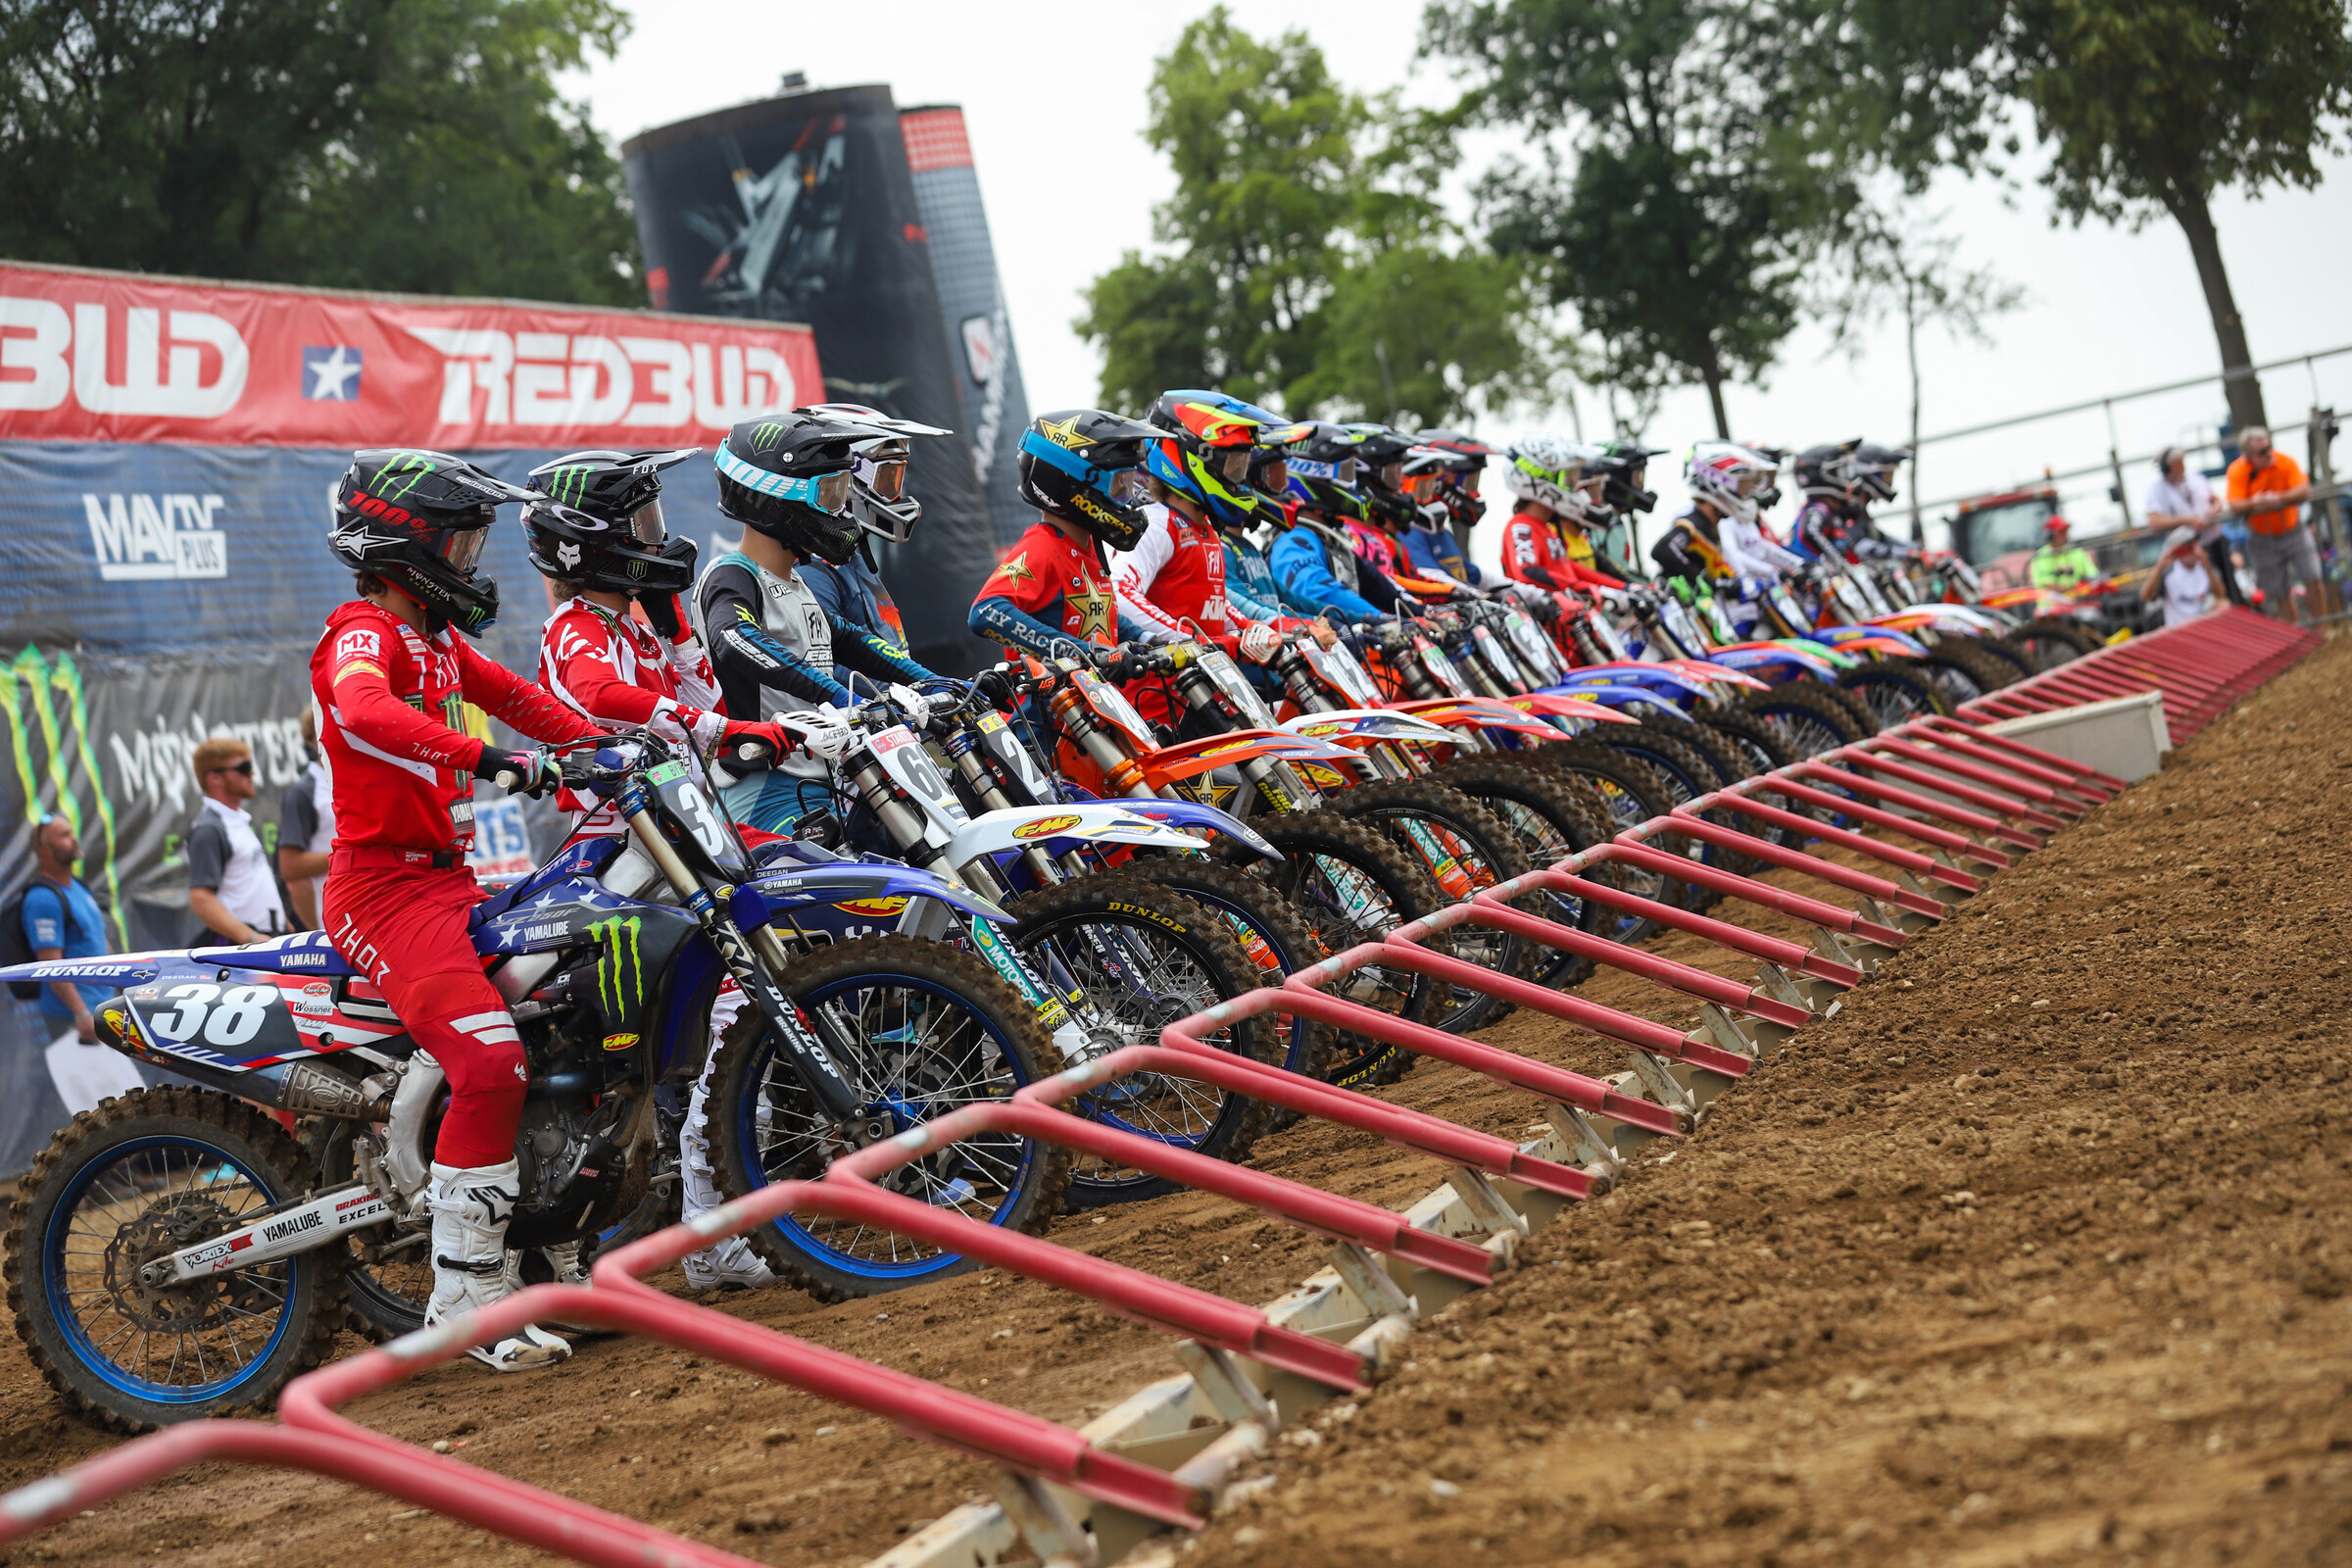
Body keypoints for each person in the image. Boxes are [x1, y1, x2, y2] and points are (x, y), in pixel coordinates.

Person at [317, 447, 604, 1372]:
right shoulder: (362, 631)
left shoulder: (435, 639)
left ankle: (539, 1260)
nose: (472, 562)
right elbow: (362, 711)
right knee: (488, 1061)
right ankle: (459, 1301)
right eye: (461, 542)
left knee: (570, 1017)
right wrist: (491, 761)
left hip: (448, 882)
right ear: (405, 545)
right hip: (382, 891)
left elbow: (520, 697)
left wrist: (630, 741)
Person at [525, 449, 807, 1294]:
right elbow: (602, 698)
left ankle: (717, 1223)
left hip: (680, 844)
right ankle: (710, 1231)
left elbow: (705, 701)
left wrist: (680, 633)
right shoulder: (575, 626)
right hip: (621, 854)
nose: (660, 536)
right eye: (641, 523)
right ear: (594, 542)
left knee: (733, 1018)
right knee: (707, 1030)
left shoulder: (639, 623)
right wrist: (704, 723)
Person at [695, 412, 930, 835]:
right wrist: (841, 696)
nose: (840, 511)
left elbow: (851, 640)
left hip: (822, 779)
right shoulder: (731, 574)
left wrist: (934, 682)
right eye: (830, 494)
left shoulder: (796, 581)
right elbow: (733, 638)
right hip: (764, 787)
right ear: (774, 498)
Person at [971, 409, 1167, 662]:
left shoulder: (1087, 547)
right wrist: (1080, 652)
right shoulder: (1043, 546)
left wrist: (1146, 639)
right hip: (1046, 699)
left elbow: (1100, 613)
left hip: (1095, 697)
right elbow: (985, 611)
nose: (1126, 500)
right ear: (1074, 484)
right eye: (1118, 484)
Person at [794, 403, 951, 674]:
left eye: (896, 479)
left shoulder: (853, 559)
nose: (894, 494)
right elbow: (828, 669)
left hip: (901, 710)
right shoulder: (813, 572)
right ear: (847, 478)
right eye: (886, 479)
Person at [22, 814, 144, 1115]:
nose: (74, 839)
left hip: (103, 1011)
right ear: (45, 850)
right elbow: (50, 965)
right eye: (64, 835)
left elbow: (98, 944)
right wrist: (80, 1013)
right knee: (96, 1110)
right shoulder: (42, 900)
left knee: (125, 1100)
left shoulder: (78, 888)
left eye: (72, 832)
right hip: (75, 1022)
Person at [186, 735, 285, 946]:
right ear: (215, 779)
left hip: (265, 939)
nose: (252, 773)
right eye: (243, 768)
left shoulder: (234, 820)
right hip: (243, 947)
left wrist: (283, 924)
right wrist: (250, 938)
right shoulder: (209, 829)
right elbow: (201, 898)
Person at [1501, 434, 1623, 594]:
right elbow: (1527, 571)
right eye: (1570, 480)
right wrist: (1584, 588)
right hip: (1541, 617)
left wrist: (1623, 588)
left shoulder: (1545, 527)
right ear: (1542, 479)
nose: (1576, 488)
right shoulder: (1522, 526)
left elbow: (1570, 568)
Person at [2223, 425, 2324, 618]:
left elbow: (2304, 490)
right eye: (2262, 452)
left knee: (2313, 578)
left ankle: (2321, 629)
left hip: (2293, 529)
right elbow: (2234, 504)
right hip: (2262, 537)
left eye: (2269, 447)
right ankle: (2297, 636)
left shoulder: (2285, 461)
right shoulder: (2238, 470)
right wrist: (2254, 502)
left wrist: (2278, 498)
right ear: (2248, 455)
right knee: (2280, 592)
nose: (2269, 453)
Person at [2143, 447, 2242, 606]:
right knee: (2196, 595)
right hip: (2187, 551)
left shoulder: (2195, 478)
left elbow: (2215, 499)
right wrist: (2187, 520)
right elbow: (2153, 521)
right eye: (2177, 465)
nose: (2181, 468)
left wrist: (2214, 509)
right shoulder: (2157, 489)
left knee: (2228, 588)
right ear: (2166, 468)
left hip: (2213, 541)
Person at [277, 710, 334, 930]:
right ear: (312, 741)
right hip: (332, 923)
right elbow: (290, 868)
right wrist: (352, 854)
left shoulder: (360, 782)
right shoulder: (303, 792)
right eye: (325, 729)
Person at [2139, 524, 2217, 627]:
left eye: (2194, 546)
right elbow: (2146, 596)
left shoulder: (2203, 567)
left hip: (2201, 628)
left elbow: (2220, 595)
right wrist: (2160, 567)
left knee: (2223, 604)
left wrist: (2207, 567)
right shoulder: (2168, 572)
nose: (2193, 552)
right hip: (2178, 630)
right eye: (2188, 548)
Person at [2028, 516, 2100, 592]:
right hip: (2052, 603)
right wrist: (2074, 590)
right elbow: (2049, 586)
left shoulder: (2076, 551)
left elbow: (2092, 575)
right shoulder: (2042, 557)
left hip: (2077, 599)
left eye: (2066, 531)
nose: (2066, 536)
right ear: (2050, 536)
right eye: (2062, 532)